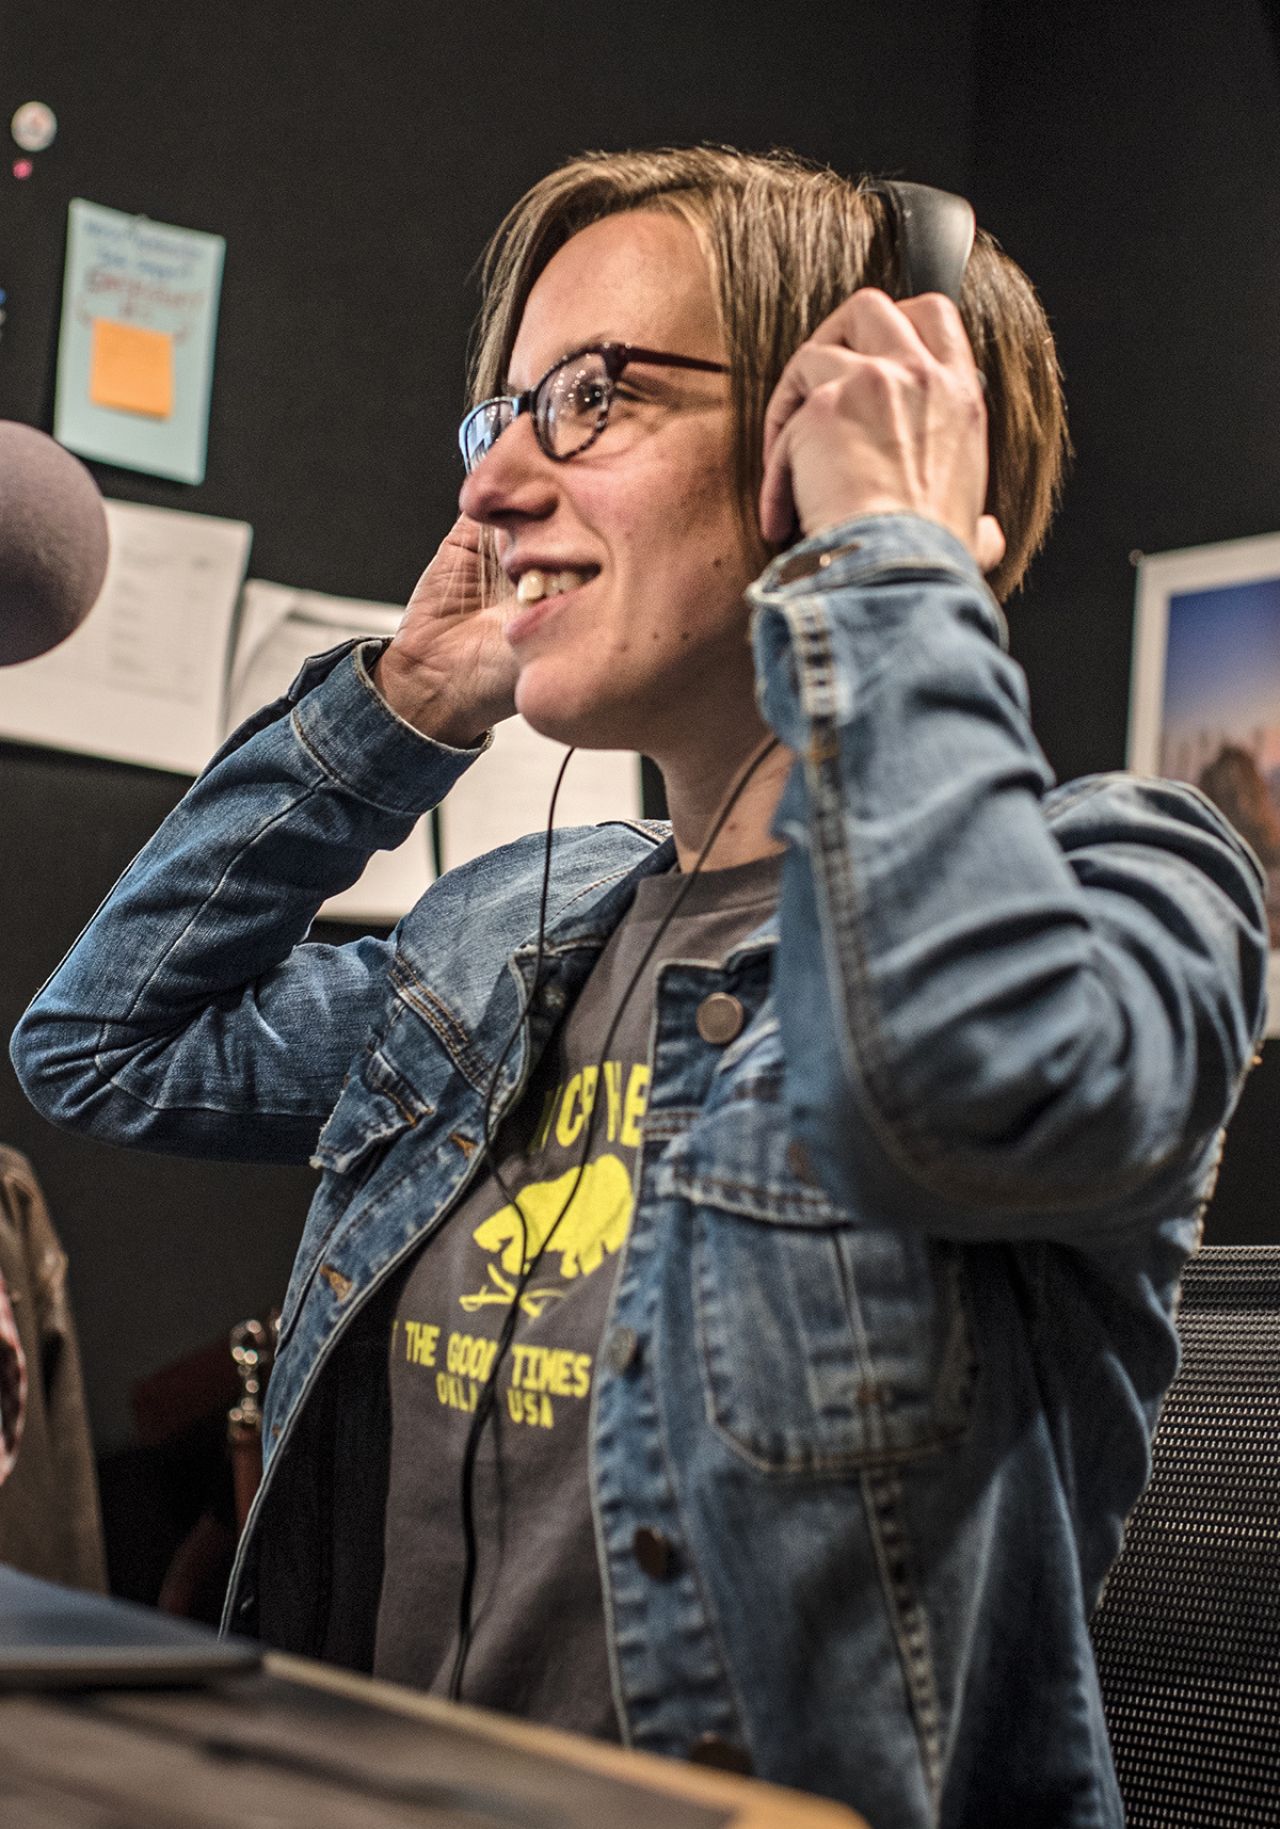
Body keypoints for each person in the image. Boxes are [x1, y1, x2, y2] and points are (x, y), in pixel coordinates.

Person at [11, 147, 1267, 1827]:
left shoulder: (1134, 876)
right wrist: (396, 704)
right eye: (502, 415)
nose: (493, 485)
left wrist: (886, 557)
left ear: (831, 430)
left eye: (589, 398)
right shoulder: (505, 929)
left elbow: (965, 1079)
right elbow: (104, 1043)